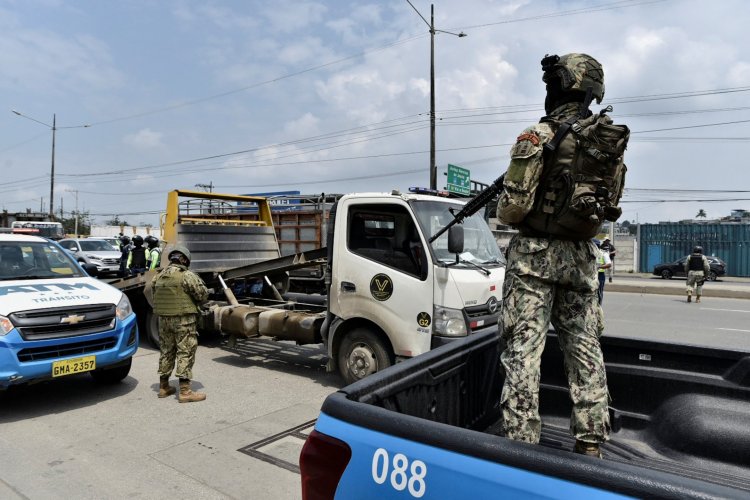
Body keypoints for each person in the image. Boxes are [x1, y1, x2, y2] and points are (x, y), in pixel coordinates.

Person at [496, 53, 628, 458]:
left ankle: (521, 446)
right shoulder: (608, 141)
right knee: (585, 348)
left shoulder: (536, 136)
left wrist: (505, 206)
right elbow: (611, 202)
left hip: (533, 259)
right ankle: (590, 441)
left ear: (559, 86)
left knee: (523, 351)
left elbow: (514, 209)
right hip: (582, 260)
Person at [151, 245, 209, 403]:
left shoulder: (159, 276)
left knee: (166, 351)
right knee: (186, 351)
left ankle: (163, 387)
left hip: (163, 320)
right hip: (183, 321)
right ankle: (185, 391)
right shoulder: (187, 275)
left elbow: (153, 294)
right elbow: (202, 295)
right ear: (184, 260)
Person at [594, 239, 612, 305]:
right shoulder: (590, 253)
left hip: (600, 275)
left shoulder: (603, 253)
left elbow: (609, 264)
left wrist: (599, 267)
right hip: (592, 275)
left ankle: (599, 307)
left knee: (599, 293)